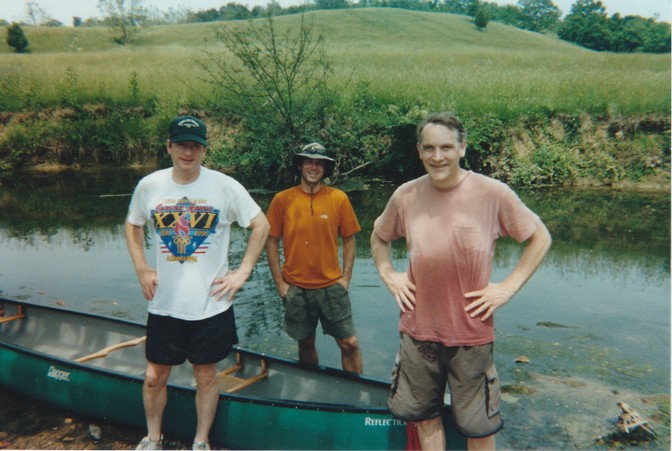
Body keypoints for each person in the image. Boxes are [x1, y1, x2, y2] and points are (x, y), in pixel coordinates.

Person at [370, 112, 552, 450]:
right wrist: (388, 274)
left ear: (462, 148)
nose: (437, 157)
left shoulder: (492, 193)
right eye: (429, 148)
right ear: (419, 151)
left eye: (446, 147)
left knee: (478, 427)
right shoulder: (405, 195)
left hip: (471, 333)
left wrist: (507, 288)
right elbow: (379, 237)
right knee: (424, 416)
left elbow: (540, 237)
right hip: (418, 332)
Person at [125, 115, 270, 450]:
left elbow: (260, 225)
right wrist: (143, 269)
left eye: (195, 146)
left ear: (204, 149)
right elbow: (132, 225)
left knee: (206, 377)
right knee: (152, 377)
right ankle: (152, 437)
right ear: (169, 146)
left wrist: (243, 271)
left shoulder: (225, 186)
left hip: (210, 305)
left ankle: (201, 441)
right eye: (181, 145)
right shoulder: (151, 186)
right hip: (165, 305)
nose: (187, 152)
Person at [265, 142, 364, 374]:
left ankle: (355, 395)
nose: (314, 167)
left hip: (332, 287)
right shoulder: (282, 199)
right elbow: (271, 241)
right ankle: (312, 388)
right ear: (299, 165)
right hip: (296, 289)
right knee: (306, 343)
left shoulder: (339, 198)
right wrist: (280, 283)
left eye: (319, 163)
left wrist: (346, 278)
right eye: (309, 161)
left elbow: (349, 240)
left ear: (325, 169)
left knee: (350, 344)